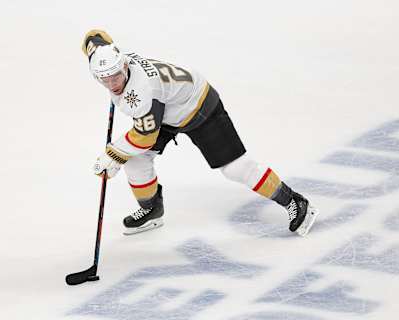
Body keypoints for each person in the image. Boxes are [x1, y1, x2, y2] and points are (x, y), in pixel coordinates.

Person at [82, 30, 319, 236]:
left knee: (236, 168)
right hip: (167, 107)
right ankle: (153, 209)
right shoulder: (114, 58)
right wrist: (95, 47)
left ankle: (295, 201)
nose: (112, 84)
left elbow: (146, 137)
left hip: (199, 106)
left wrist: (113, 155)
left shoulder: (142, 91)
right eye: (104, 79)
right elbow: (96, 36)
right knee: (135, 160)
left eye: (115, 77)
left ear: (124, 66)